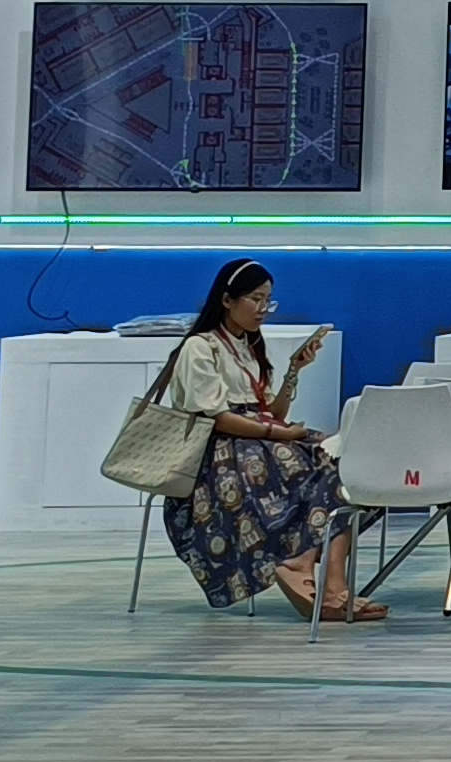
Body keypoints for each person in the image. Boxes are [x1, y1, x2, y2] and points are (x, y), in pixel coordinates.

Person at [156, 259, 380, 621]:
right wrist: (279, 433)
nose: (262, 309)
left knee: (347, 464)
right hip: (222, 452)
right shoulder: (200, 347)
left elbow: (271, 411)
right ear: (227, 300)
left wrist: (294, 371)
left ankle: (323, 574)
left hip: (259, 438)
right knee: (315, 467)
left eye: (268, 301)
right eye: (255, 299)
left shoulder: (251, 347)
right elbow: (218, 419)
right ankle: (315, 574)